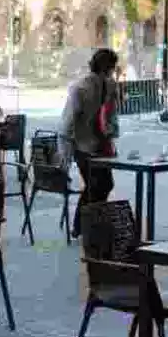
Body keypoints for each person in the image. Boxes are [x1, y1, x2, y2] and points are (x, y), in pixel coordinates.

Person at [61, 48, 119, 238]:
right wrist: (66, 156)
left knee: (103, 184)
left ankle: (89, 223)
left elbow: (111, 114)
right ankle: (83, 225)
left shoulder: (110, 86)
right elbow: (68, 123)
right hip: (84, 146)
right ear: (107, 68)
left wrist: (110, 133)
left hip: (98, 144)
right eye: (111, 68)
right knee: (97, 185)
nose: (112, 72)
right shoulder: (80, 88)